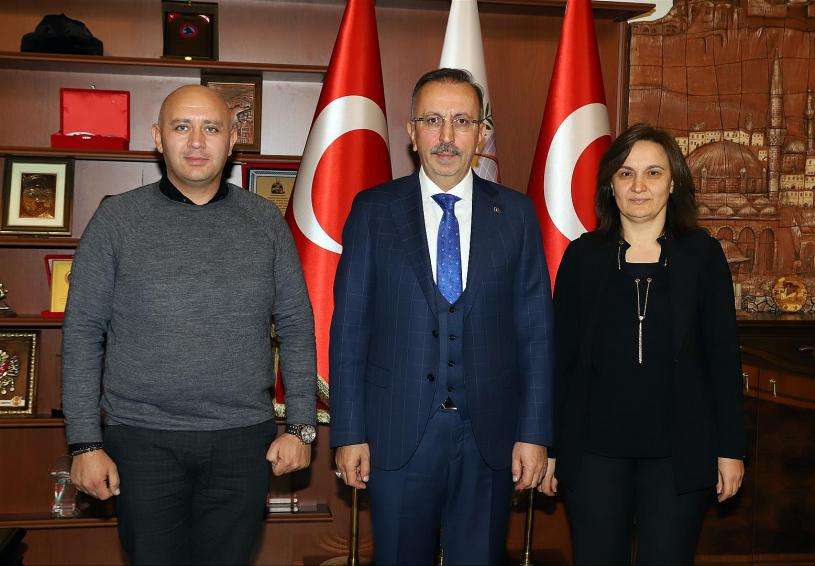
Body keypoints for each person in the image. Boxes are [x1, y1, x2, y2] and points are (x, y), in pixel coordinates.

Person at [62, 85, 318, 565]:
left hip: (244, 442)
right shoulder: (116, 220)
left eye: (211, 128)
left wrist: (301, 426)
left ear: (232, 139)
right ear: (159, 137)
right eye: (182, 127)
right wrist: (84, 443)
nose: (197, 142)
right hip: (141, 441)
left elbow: (296, 326)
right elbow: (81, 333)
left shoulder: (265, 221)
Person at [329, 68, 554, 565]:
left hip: (491, 438)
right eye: (432, 120)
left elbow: (536, 333)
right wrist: (348, 432)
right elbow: (349, 331)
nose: (446, 136)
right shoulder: (373, 211)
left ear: (482, 133)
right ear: (411, 132)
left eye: (461, 121)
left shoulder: (516, 215)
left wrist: (535, 433)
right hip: (395, 436)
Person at [538, 123, 746, 564]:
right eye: (625, 173)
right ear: (610, 185)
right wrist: (550, 447)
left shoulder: (703, 257)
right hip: (593, 454)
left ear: (673, 183)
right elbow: (560, 362)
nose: (638, 186)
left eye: (653, 173)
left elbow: (723, 360)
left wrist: (731, 449)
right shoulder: (582, 257)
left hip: (679, 455)